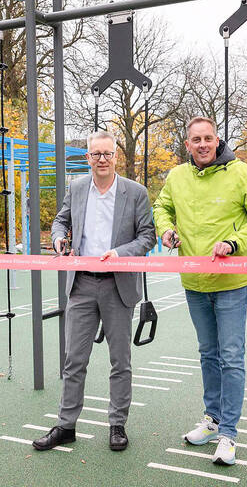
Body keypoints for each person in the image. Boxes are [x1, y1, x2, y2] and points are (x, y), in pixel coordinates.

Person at [152, 116, 247, 465]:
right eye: (196, 140)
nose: (203, 144)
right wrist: (165, 229)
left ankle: (229, 435)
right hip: (194, 281)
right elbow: (162, 207)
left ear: (218, 140)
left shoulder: (241, 172)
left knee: (231, 356)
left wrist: (234, 242)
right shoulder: (177, 176)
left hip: (232, 283)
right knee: (208, 354)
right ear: (187, 145)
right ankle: (213, 420)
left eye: (208, 138)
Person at [33, 130, 157, 452]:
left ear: (116, 156)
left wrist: (121, 253)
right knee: (74, 359)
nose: (101, 159)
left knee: (120, 360)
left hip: (118, 284)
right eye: (95, 154)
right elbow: (60, 222)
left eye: (107, 154)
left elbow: (147, 236)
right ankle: (66, 425)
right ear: (87, 157)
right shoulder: (76, 188)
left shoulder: (136, 192)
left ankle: (117, 425)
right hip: (82, 284)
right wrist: (59, 239)